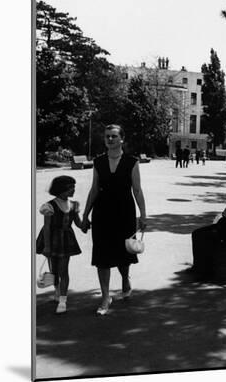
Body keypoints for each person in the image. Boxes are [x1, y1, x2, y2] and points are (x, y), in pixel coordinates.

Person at [81, 124, 147, 315]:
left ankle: (125, 279)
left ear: (122, 139)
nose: (110, 139)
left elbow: (137, 190)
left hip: (124, 212)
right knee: (102, 255)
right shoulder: (99, 162)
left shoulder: (132, 162)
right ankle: (105, 297)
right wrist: (85, 215)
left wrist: (143, 215)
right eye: (107, 136)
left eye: (114, 136)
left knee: (123, 253)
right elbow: (94, 190)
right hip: (102, 213)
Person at [36, 175, 83, 314]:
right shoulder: (50, 206)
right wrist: (47, 247)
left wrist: (89, 224)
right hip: (52, 239)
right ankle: (57, 291)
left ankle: (63, 300)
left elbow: (79, 224)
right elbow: (47, 227)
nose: (73, 190)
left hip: (66, 241)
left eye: (73, 187)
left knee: (63, 270)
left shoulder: (74, 205)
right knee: (54, 270)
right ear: (61, 189)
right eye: (70, 188)